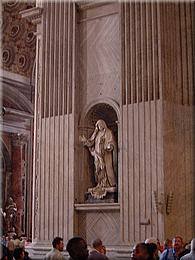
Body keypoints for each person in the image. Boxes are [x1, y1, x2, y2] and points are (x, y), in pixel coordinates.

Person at [80, 119, 117, 198]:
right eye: (97, 126)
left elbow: (111, 142)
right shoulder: (96, 134)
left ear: (103, 124)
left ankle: (107, 184)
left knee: (105, 169)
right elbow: (91, 142)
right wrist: (85, 141)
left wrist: (109, 146)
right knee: (98, 170)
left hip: (105, 155)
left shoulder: (108, 132)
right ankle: (100, 184)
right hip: (97, 156)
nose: (99, 127)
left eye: (100, 125)